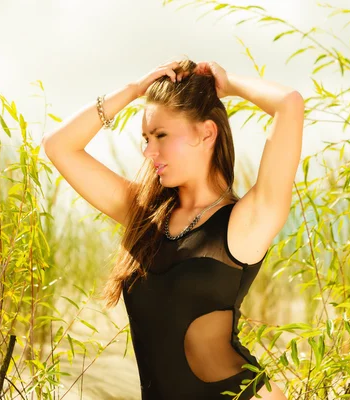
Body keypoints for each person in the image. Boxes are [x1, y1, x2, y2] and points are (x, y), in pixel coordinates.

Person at [42, 58, 304, 399]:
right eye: (146, 138)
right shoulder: (145, 216)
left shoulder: (244, 222)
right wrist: (134, 90)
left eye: (161, 135)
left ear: (206, 132)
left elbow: (289, 104)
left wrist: (229, 84)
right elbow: (58, 145)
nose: (149, 151)